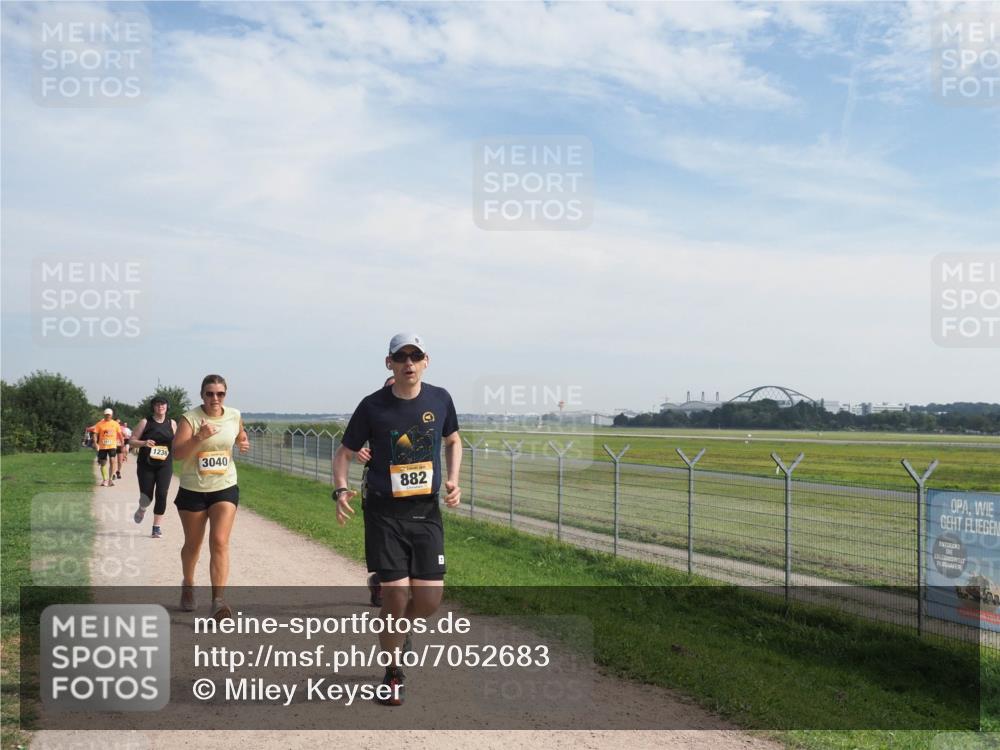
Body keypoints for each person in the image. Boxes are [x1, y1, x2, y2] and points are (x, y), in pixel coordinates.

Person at [333, 334, 462, 706]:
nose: (409, 362)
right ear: (389, 363)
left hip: (425, 512)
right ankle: (392, 673)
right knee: (395, 595)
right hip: (383, 513)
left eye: (415, 355)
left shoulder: (440, 399)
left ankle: (400, 630)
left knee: (428, 600)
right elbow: (344, 453)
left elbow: (453, 440)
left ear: (426, 361)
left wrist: (454, 479)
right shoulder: (372, 406)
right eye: (401, 356)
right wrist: (341, 490)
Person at [171, 375, 250, 621]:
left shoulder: (234, 415)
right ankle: (189, 583)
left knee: (219, 541)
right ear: (202, 394)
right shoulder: (190, 419)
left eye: (220, 394)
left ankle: (218, 601)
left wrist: (243, 442)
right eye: (209, 393)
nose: (215, 398)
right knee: (193, 545)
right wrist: (198, 437)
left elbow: (240, 434)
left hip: (224, 485)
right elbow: (177, 454)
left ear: (225, 394)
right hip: (193, 488)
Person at [355, 375, 395, 608]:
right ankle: (379, 582)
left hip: (410, 494)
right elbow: (352, 444)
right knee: (383, 543)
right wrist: (360, 451)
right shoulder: (374, 412)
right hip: (377, 489)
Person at [131, 397, 177, 539]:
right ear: (153, 408)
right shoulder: (145, 422)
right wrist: (144, 443)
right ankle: (142, 508)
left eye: (163, 404)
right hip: (146, 464)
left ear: (167, 406)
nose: (160, 407)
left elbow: (177, 441)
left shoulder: (172, 423)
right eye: (157, 405)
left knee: (162, 494)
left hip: (165, 464)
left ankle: (156, 527)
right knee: (147, 495)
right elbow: (131, 440)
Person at [90, 409, 124, 487]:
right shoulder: (99, 424)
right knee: (103, 463)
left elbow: (119, 434)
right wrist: (95, 443)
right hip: (102, 446)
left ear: (111, 415)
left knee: (112, 461)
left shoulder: (115, 424)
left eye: (109, 414)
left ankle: (110, 479)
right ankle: (105, 479)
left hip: (112, 446)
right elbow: (95, 434)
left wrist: (122, 443)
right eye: (106, 414)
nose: (107, 416)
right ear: (104, 415)